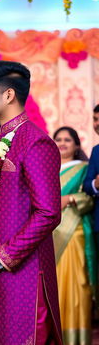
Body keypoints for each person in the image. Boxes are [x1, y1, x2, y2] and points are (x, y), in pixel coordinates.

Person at [0, 61, 70, 345]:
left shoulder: (35, 142)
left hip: (23, 274)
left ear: (9, 94)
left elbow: (48, 212)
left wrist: (0, 259)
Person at [53, 126, 97, 345]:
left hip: (74, 231)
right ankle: (52, 335)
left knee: (75, 282)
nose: (62, 143)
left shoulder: (84, 169)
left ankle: (75, 336)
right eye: (58, 139)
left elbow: (90, 199)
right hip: (46, 234)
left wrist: (69, 198)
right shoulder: (46, 168)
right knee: (53, 284)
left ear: (77, 145)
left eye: (67, 140)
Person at [83, 104, 99, 248]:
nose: (97, 123)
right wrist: (95, 184)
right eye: (95, 119)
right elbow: (87, 184)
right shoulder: (96, 151)